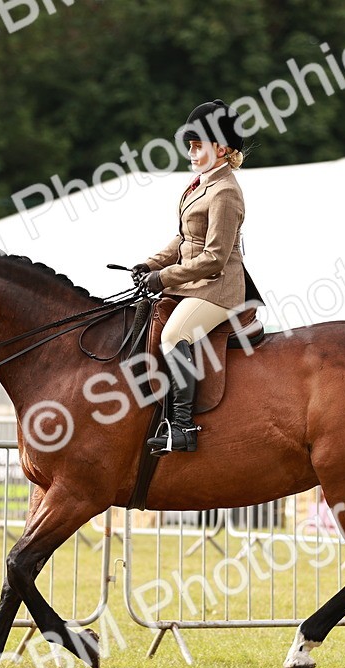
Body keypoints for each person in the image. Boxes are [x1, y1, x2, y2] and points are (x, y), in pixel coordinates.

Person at [132, 99, 257, 456]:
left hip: (217, 288)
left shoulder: (226, 191)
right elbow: (184, 239)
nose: (191, 152)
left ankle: (183, 427)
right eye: (190, 145)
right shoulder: (199, 184)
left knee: (174, 334)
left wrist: (163, 278)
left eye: (198, 145)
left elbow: (214, 257)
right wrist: (150, 265)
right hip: (194, 283)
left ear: (222, 149)